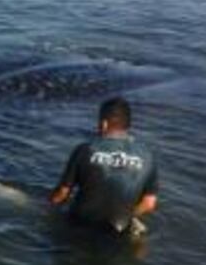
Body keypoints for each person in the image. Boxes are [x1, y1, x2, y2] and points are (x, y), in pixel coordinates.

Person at [50, 97, 158, 236]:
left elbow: (62, 194)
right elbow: (149, 204)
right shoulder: (147, 156)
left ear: (104, 123)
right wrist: (128, 216)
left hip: (80, 227)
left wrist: (48, 209)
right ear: (128, 124)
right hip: (118, 231)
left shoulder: (86, 149)